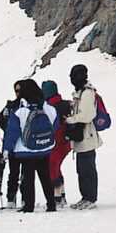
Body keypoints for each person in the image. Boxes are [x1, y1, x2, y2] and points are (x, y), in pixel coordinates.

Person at [2, 79, 57, 212]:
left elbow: (12, 133)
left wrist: (7, 149)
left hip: (26, 150)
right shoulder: (48, 108)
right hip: (44, 148)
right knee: (45, 177)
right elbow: (55, 124)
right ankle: (51, 204)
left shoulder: (21, 111)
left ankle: (29, 206)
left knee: (28, 179)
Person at [64, 64, 102, 210]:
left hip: (87, 136)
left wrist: (71, 120)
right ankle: (85, 196)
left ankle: (90, 197)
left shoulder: (87, 93)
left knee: (88, 169)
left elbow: (87, 115)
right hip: (80, 136)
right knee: (81, 169)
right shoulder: (79, 93)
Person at [42, 80, 72, 208]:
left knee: (52, 167)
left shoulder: (48, 107)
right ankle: (62, 196)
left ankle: (57, 197)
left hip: (56, 142)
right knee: (56, 167)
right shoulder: (66, 104)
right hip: (67, 141)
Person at [0, 81, 23, 209]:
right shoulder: (10, 106)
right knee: (14, 174)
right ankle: (11, 199)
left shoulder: (17, 106)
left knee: (22, 174)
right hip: (17, 146)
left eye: (19, 90)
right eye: (16, 90)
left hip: (21, 146)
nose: (18, 93)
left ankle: (23, 199)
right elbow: (1, 120)